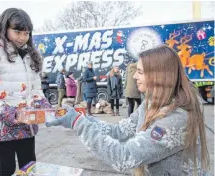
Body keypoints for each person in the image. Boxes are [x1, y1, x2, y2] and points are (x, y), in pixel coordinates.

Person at [46, 45, 210, 176]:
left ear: (159, 75)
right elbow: (120, 130)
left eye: (140, 72)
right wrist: (84, 119)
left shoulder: (176, 118)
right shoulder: (150, 103)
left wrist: (79, 124)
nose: (134, 77)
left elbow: (124, 156)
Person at [0, 8, 51, 176]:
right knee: (7, 169)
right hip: (3, 126)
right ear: (4, 28)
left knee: (29, 167)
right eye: (17, 32)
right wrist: (10, 113)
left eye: (26, 33)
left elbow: (36, 89)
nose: (22, 38)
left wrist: (43, 106)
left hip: (27, 124)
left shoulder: (31, 56)